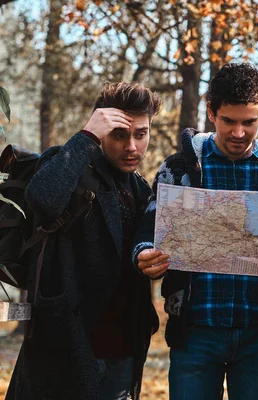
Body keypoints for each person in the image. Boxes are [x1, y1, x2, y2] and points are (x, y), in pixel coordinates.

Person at [131, 62, 258, 400]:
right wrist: (143, 254)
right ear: (211, 112)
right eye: (229, 121)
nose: (238, 133)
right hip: (195, 332)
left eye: (249, 122)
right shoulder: (179, 167)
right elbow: (147, 228)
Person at [7, 82, 162, 400]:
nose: (132, 146)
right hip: (67, 350)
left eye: (141, 134)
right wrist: (87, 136)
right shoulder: (69, 165)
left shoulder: (142, 190)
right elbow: (43, 199)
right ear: (102, 130)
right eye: (120, 134)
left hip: (123, 353)